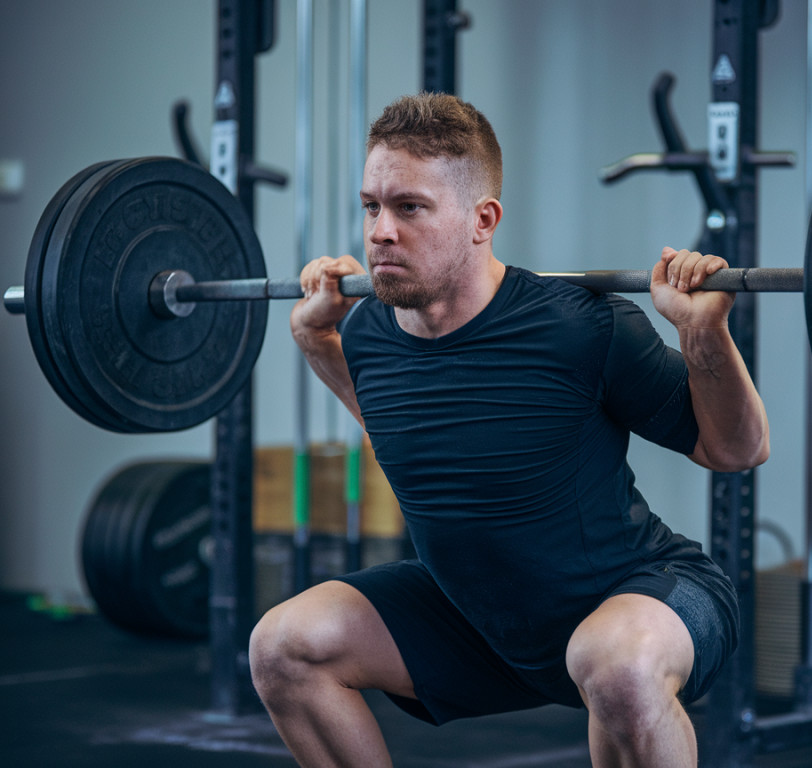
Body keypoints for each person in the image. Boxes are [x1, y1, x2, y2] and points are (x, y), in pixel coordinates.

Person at [249, 92, 769, 768]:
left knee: (612, 666)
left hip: (641, 598)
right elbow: (409, 433)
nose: (380, 231)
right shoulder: (369, 331)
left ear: (482, 219)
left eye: (409, 208)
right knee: (283, 648)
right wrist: (318, 339)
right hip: (478, 621)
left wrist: (704, 333)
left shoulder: (581, 326)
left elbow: (737, 449)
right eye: (371, 206)